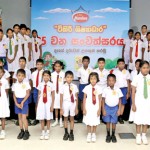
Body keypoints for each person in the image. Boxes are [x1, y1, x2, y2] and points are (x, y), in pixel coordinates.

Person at [129, 61, 150, 145]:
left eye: (147, 67)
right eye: (144, 68)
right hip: (138, 101)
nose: (146, 69)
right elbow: (133, 92)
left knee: (146, 118)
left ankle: (144, 135)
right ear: (140, 68)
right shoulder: (136, 78)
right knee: (138, 119)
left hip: (148, 102)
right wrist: (133, 104)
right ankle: (138, 135)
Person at [102, 74, 123, 143]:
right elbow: (103, 100)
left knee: (114, 122)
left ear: (115, 81)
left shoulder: (118, 89)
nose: (111, 82)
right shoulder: (105, 90)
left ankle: (113, 135)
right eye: (109, 80)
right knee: (107, 121)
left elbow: (120, 100)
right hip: (107, 107)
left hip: (115, 108)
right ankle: (108, 135)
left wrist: (119, 109)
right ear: (107, 81)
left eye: (112, 80)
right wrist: (103, 109)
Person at [83, 72, 102, 143]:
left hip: (96, 107)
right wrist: (84, 108)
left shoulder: (99, 88)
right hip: (88, 106)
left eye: (94, 78)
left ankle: (94, 133)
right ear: (89, 80)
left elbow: (100, 99)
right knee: (88, 120)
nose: (93, 80)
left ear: (97, 79)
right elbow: (84, 98)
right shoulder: (86, 87)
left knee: (95, 120)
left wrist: (99, 109)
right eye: (91, 79)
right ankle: (89, 133)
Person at [12, 69, 31, 140]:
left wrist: (22, 102)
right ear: (16, 76)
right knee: (19, 117)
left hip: (24, 100)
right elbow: (14, 95)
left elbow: (28, 93)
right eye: (19, 75)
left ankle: (27, 131)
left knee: (24, 117)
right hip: (17, 101)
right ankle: (21, 131)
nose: (20, 77)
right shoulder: (14, 85)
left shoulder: (26, 83)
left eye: (22, 76)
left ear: (24, 76)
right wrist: (16, 103)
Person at [13, 57, 32, 126]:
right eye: (20, 61)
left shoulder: (28, 71)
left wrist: (30, 89)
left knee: (26, 105)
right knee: (20, 109)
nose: (21, 63)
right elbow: (14, 80)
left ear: (25, 62)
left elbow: (30, 80)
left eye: (23, 61)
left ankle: (26, 118)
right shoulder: (16, 70)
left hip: (26, 90)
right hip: (19, 90)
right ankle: (20, 120)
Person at [60, 71, 78, 141]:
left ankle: (71, 133)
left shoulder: (75, 86)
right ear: (65, 78)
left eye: (71, 77)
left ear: (73, 78)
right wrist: (61, 108)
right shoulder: (62, 86)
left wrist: (76, 107)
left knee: (72, 118)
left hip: (73, 103)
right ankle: (66, 132)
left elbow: (76, 97)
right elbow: (61, 98)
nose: (69, 79)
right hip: (65, 103)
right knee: (65, 118)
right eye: (68, 77)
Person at [36, 70, 55, 140]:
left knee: (48, 117)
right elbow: (38, 95)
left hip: (48, 102)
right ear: (42, 76)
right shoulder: (40, 84)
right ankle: (43, 131)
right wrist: (37, 105)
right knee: (42, 117)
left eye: (47, 75)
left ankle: (48, 131)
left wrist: (52, 105)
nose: (46, 77)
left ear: (50, 77)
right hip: (41, 102)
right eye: (44, 75)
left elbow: (53, 96)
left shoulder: (52, 85)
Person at [113, 59, 130, 124]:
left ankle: (120, 117)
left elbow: (128, 82)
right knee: (116, 103)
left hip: (124, 89)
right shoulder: (114, 72)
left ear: (124, 64)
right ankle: (116, 116)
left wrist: (128, 92)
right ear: (117, 65)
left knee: (123, 103)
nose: (121, 65)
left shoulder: (127, 72)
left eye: (122, 63)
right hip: (116, 89)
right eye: (119, 64)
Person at [77, 56, 92, 122]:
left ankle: (88, 115)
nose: (85, 62)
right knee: (82, 101)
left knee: (88, 100)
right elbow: (78, 78)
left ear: (89, 62)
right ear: (82, 62)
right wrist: (81, 82)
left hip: (89, 85)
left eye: (87, 61)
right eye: (84, 61)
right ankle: (82, 115)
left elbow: (92, 78)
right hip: (82, 86)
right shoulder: (79, 69)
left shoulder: (91, 69)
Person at [51, 60, 65, 128]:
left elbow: (65, 84)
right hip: (55, 93)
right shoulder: (52, 74)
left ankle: (61, 120)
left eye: (59, 66)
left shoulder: (63, 74)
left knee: (61, 106)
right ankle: (56, 120)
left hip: (61, 93)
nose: (57, 68)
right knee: (56, 107)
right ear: (54, 67)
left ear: (61, 67)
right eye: (56, 66)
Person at [31, 59, 44, 125]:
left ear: (43, 65)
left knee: (43, 104)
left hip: (42, 90)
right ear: (36, 65)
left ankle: (43, 119)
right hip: (35, 89)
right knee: (36, 104)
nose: (39, 66)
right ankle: (37, 118)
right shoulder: (33, 73)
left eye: (40, 64)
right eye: (38, 64)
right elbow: (32, 82)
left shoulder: (45, 73)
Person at [0, 67, 10, 139]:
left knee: (3, 116)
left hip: (2, 99)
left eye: (0, 72)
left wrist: (4, 99)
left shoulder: (5, 81)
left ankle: (3, 130)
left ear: (3, 73)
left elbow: (6, 91)